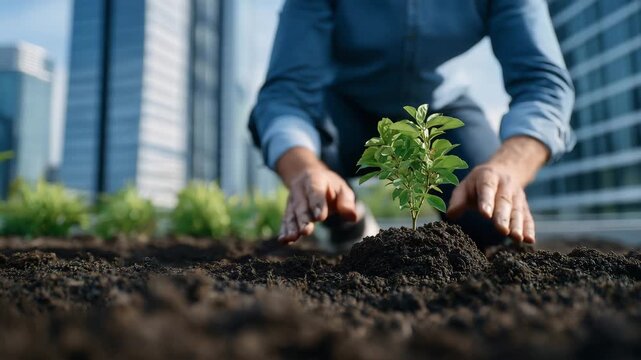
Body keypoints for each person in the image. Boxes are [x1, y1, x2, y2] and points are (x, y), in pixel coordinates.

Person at [249, 0, 575, 251]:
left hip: (437, 111)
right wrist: (304, 169)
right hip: (342, 109)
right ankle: (344, 219)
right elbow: (284, 96)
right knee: (307, 158)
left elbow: (543, 84)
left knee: (488, 213)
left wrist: (508, 167)